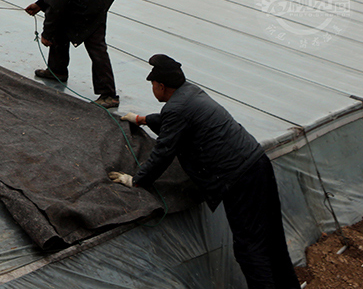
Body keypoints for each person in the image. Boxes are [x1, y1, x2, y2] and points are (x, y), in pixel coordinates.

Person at [108, 54, 301, 289]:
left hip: (239, 179)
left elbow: (164, 151)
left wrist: (136, 180)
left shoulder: (177, 108)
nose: (152, 88)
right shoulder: (190, 92)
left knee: (249, 248)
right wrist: (142, 119)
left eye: (152, 85)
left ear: (160, 86)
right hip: (257, 163)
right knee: (272, 238)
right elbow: (175, 120)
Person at [7, 0, 122, 109]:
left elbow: (58, 0)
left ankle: (109, 94)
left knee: (95, 43)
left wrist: (47, 33)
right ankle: (57, 71)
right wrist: (39, 4)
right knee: (60, 25)